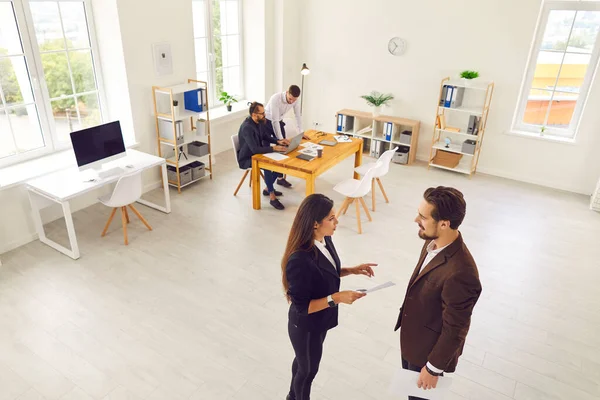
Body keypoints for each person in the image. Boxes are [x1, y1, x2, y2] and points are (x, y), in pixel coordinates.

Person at [282, 193, 377, 400]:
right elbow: (303, 308)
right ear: (316, 224)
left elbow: (324, 272)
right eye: (331, 218)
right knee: (308, 371)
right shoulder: (299, 259)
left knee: (303, 363)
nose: (337, 222)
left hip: (320, 319)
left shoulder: (325, 240)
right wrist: (337, 298)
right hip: (306, 325)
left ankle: (291, 396)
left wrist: (352, 270)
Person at [394, 186, 482, 399]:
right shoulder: (432, 241)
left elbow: (457, 328)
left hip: (428, 355)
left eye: (423, 217)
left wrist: (433, 368)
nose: (416, 219)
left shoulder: (462, 272)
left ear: (444, 224)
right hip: (414, 341)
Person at [237, 101, 290, 210]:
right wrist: (273, 148)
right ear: (254, 115)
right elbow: (254, 149)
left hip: (258, 154)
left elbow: (265, 136)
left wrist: (278, 141)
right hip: (248, 157)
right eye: (262, 113)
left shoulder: (260, 122)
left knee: (280, 162)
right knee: (267, 165)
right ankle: (272, 197)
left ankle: (267, 188)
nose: (264, 115)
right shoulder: (247, 127)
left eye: (264, 112)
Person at [264, 85, 308, 188]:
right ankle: (269, 185)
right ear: (287, 92)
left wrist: (301, 132)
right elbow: (274, 120)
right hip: (267, 122)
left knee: (284, 150)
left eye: (294, 100)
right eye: (290, 99)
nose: (292, 101)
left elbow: (298, 116)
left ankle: (280, 178)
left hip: (279, 121)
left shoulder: (295, 100)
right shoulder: (276, 98)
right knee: (266, 153)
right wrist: (280, 139)